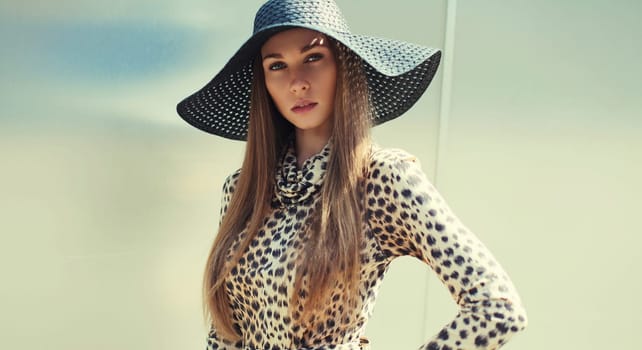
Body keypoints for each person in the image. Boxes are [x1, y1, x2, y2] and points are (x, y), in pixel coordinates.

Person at [176, 0, 528, 349]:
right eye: (277, 66)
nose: (297, 82)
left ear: (343, 66)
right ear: (264, 83)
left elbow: (497, 307)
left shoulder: (381, 179)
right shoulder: (241, 190)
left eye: (313, 58)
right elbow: (226, 335)